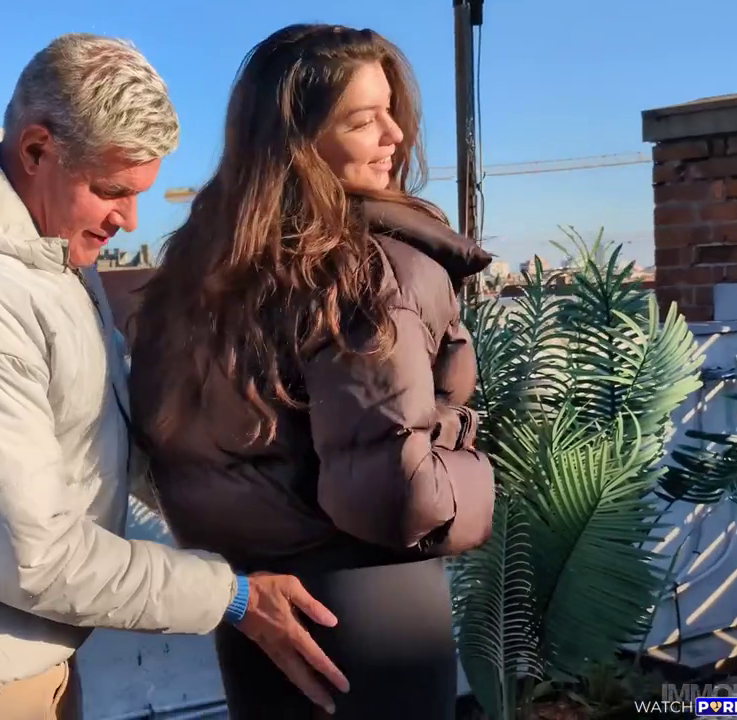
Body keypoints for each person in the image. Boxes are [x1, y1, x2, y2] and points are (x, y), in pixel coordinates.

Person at [0, 32, 349, 720]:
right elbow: (34, 556)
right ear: (35, 150)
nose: (127, 219)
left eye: (138, 194)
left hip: (19, 653)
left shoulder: (41, 258)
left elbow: (99, 443)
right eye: (111, 190)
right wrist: (233, 597)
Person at [128, 23, 498, 719]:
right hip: (371, 612)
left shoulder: (199, 271)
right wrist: (466, 447)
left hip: (256, 608)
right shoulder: (369, 268)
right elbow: (398, 496)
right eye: (363, 120)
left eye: (392, 111)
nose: (395, 135)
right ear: (296, 143)